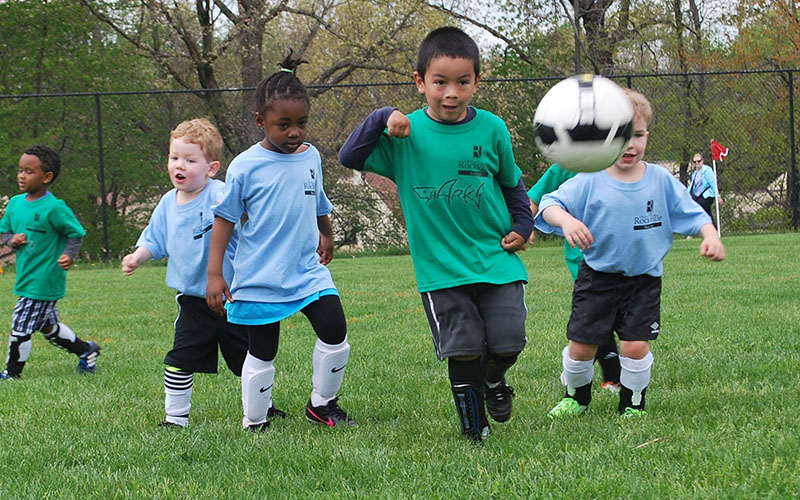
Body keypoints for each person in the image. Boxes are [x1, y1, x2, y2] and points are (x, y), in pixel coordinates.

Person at [339, 27, 534, 441]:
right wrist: (380, 116)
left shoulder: (493, 129)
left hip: (495, 258)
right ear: (419, 81)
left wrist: (522, 224)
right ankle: (474, 433)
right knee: (463, 349)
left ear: (476, 82)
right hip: (440, 268)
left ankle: (495, 380)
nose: (451, 93)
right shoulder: (404, 133)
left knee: (508, 342)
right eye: (440, 82)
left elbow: (511, 181)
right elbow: (349, 156)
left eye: (463, 82)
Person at [535, 89, 726, 418]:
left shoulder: (660, 180)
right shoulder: (589, 178)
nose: (630, 144)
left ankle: (633, 403)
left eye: (636, 135)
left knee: (634, 346)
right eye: (620, 135)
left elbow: (693, 214)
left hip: (644, 280)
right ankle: (577, 397)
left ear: (647, 136)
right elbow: (551, 204)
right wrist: (566, 221)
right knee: (581, 348)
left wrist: (710, 235)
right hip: (596, 278)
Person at [206, 53, 354, 432]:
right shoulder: (245, 166)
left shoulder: (311, 157)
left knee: (335, 328)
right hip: (261, 276)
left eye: (301, 123)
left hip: (306, 269)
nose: (294, 132)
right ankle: (255, 421)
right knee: (263, 350)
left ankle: (322, 405)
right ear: (261, 121)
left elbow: (317, 199)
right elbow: (223, 220)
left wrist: (327, 233)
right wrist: (215, 275)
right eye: (283, 124)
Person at [121, 118, 271, 428]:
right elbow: (155, 239)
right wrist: (138, 256)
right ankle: (175, 419)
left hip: (232, 298)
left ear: (211, 168)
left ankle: (263, 408)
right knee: (179, 361)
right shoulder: (167, 203)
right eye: (174, 157)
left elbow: (241, 215)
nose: (180, 165)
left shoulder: (219, 195)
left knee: (247, 360)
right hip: (192, 301)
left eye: (190, 160)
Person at [0, 145, 101, 379]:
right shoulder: (15, 203)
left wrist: (69, 255)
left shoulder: (55, 208)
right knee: (47, 327)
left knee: (21, 324)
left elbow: (75, 233)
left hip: (45, 279)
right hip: (26, 276)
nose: (21, 176)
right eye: (20, 170)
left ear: (47, 177)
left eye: (29, 171)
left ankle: (12, 374)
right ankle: (87, 351)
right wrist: (12, 240)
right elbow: (5, 232)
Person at [528, 164, 621, 393]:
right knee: (596, 313)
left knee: (616, 313)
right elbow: (533, 200)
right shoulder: (565, 166)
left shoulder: (620, 163)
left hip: (621, 253)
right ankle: (610, 375)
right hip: (584, 256)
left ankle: (590, 365)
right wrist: (523, 225)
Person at [688, 153, 721, 227]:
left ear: (702, 161)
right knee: (707, 213)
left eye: (699, 161)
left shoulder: (707, 170)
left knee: (697, 209)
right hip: (699, 196)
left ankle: (692, 233)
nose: (697, 163)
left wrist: (718, 196)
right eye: (695, 162)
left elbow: (713, 184)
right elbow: (691, 187)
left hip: (708, 195)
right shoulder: (694, 174)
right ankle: (714, 230)